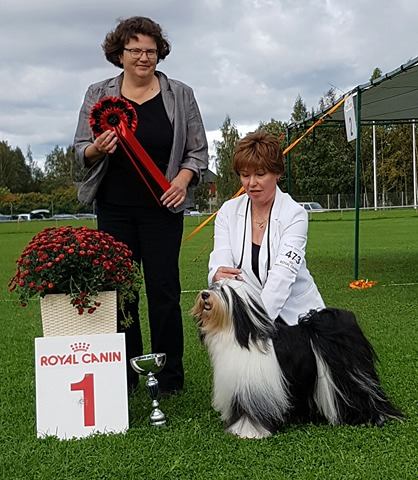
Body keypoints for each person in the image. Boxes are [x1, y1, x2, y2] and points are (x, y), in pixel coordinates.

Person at [74, 16, 208, 394]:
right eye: (134, 50)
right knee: (121, 293)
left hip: (163, 210)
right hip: (114, 209)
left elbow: (198, 152)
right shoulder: (97, 93)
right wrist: (97, 148)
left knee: (163, 291)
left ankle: (169, 377)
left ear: (159, 53)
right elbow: (79, 152)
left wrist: (182, 180)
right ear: (119, 54)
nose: (143, 57)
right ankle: (126, 375)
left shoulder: (180, 94)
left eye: (150, 50)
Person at [208, 131, 324, 325]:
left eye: (260, 174)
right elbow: (221, 263)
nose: (251, 183)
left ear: (277, 173)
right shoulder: (227, 212)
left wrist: (256, 324)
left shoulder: (295, 214)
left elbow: (282, 276)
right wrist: (217, 274)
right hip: (245, 316)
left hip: (297, 319)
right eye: (245, 175)